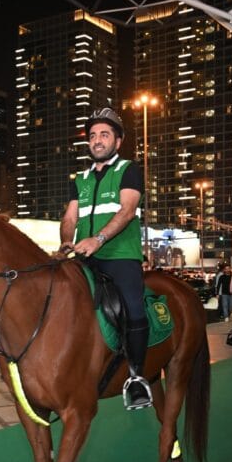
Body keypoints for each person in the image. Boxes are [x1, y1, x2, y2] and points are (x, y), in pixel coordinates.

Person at [59, 106, 151, 410]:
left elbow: (127, 211)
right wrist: (65, 242)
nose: (97, 140)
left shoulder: (128, 169)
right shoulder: (79, 178)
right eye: (93, 135)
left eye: (104, 134)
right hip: (83, 255)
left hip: (120, 255)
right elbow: (70, 216)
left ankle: (136, 378)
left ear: (117, 140)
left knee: (134, 307)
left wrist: (98, 240)